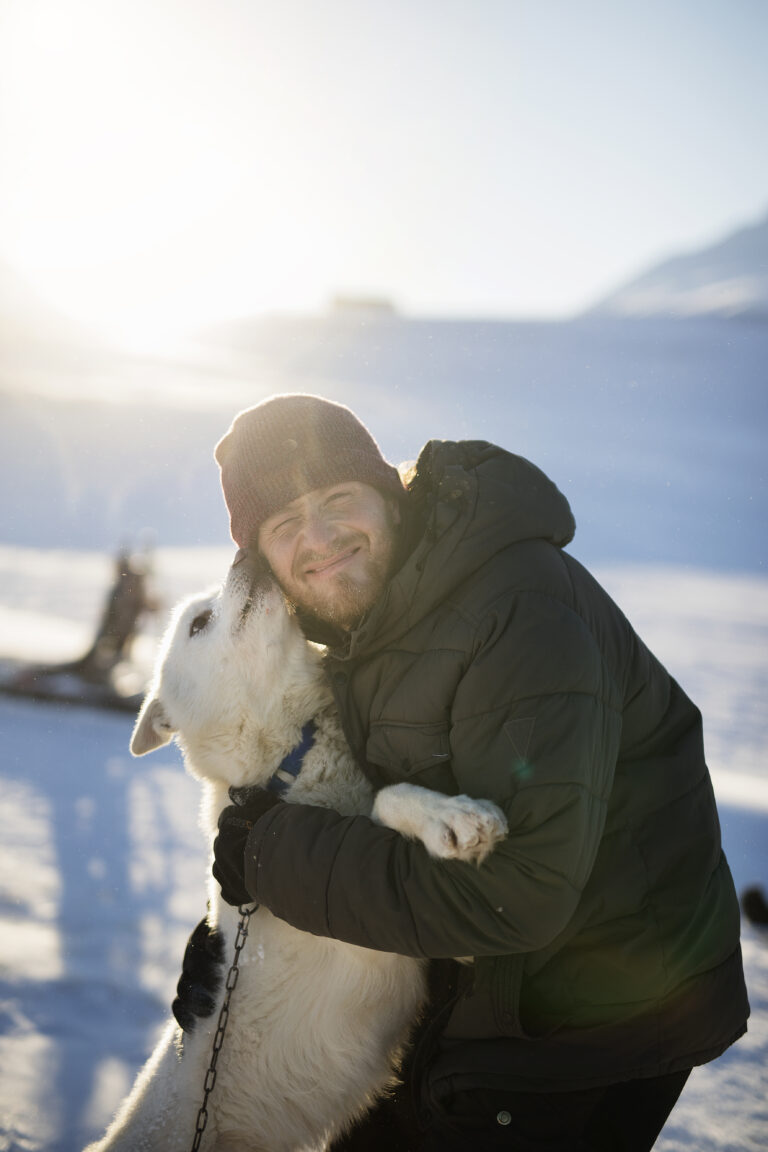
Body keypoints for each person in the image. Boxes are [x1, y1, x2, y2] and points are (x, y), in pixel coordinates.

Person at [181, 393, 749, 1151]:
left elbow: (517, 896)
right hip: (486, 977)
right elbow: (360, 805)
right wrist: (239, 952)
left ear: (388, 491)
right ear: (261, 561)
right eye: (285, 525)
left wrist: (271, 861)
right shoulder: (357, 619)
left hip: (595, 1009)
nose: (319, 539)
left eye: (336, 499)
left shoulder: (518, 610)